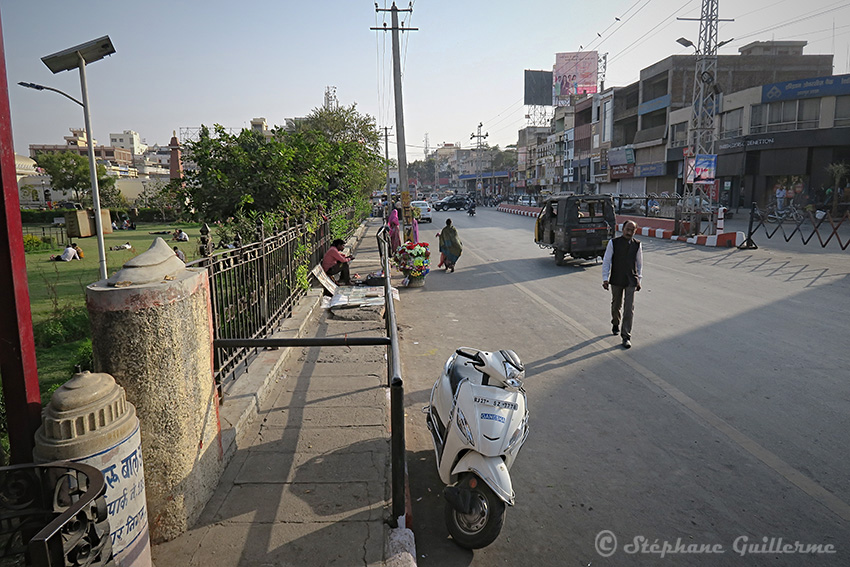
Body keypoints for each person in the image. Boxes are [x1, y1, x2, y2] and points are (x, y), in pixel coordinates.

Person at [602, 220, 642, 349]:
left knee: (629, 309)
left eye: (632, 230)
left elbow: (639, 264)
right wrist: (605, 278)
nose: (629, 232)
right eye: (627, 229)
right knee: (616, 305)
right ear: (622, 229)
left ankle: (626, 336)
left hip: (631, 280)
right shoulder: (613, 243)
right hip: (616, 279)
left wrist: (639, 280)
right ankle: (615, 323)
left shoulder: (637, 245)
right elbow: (607, 261)